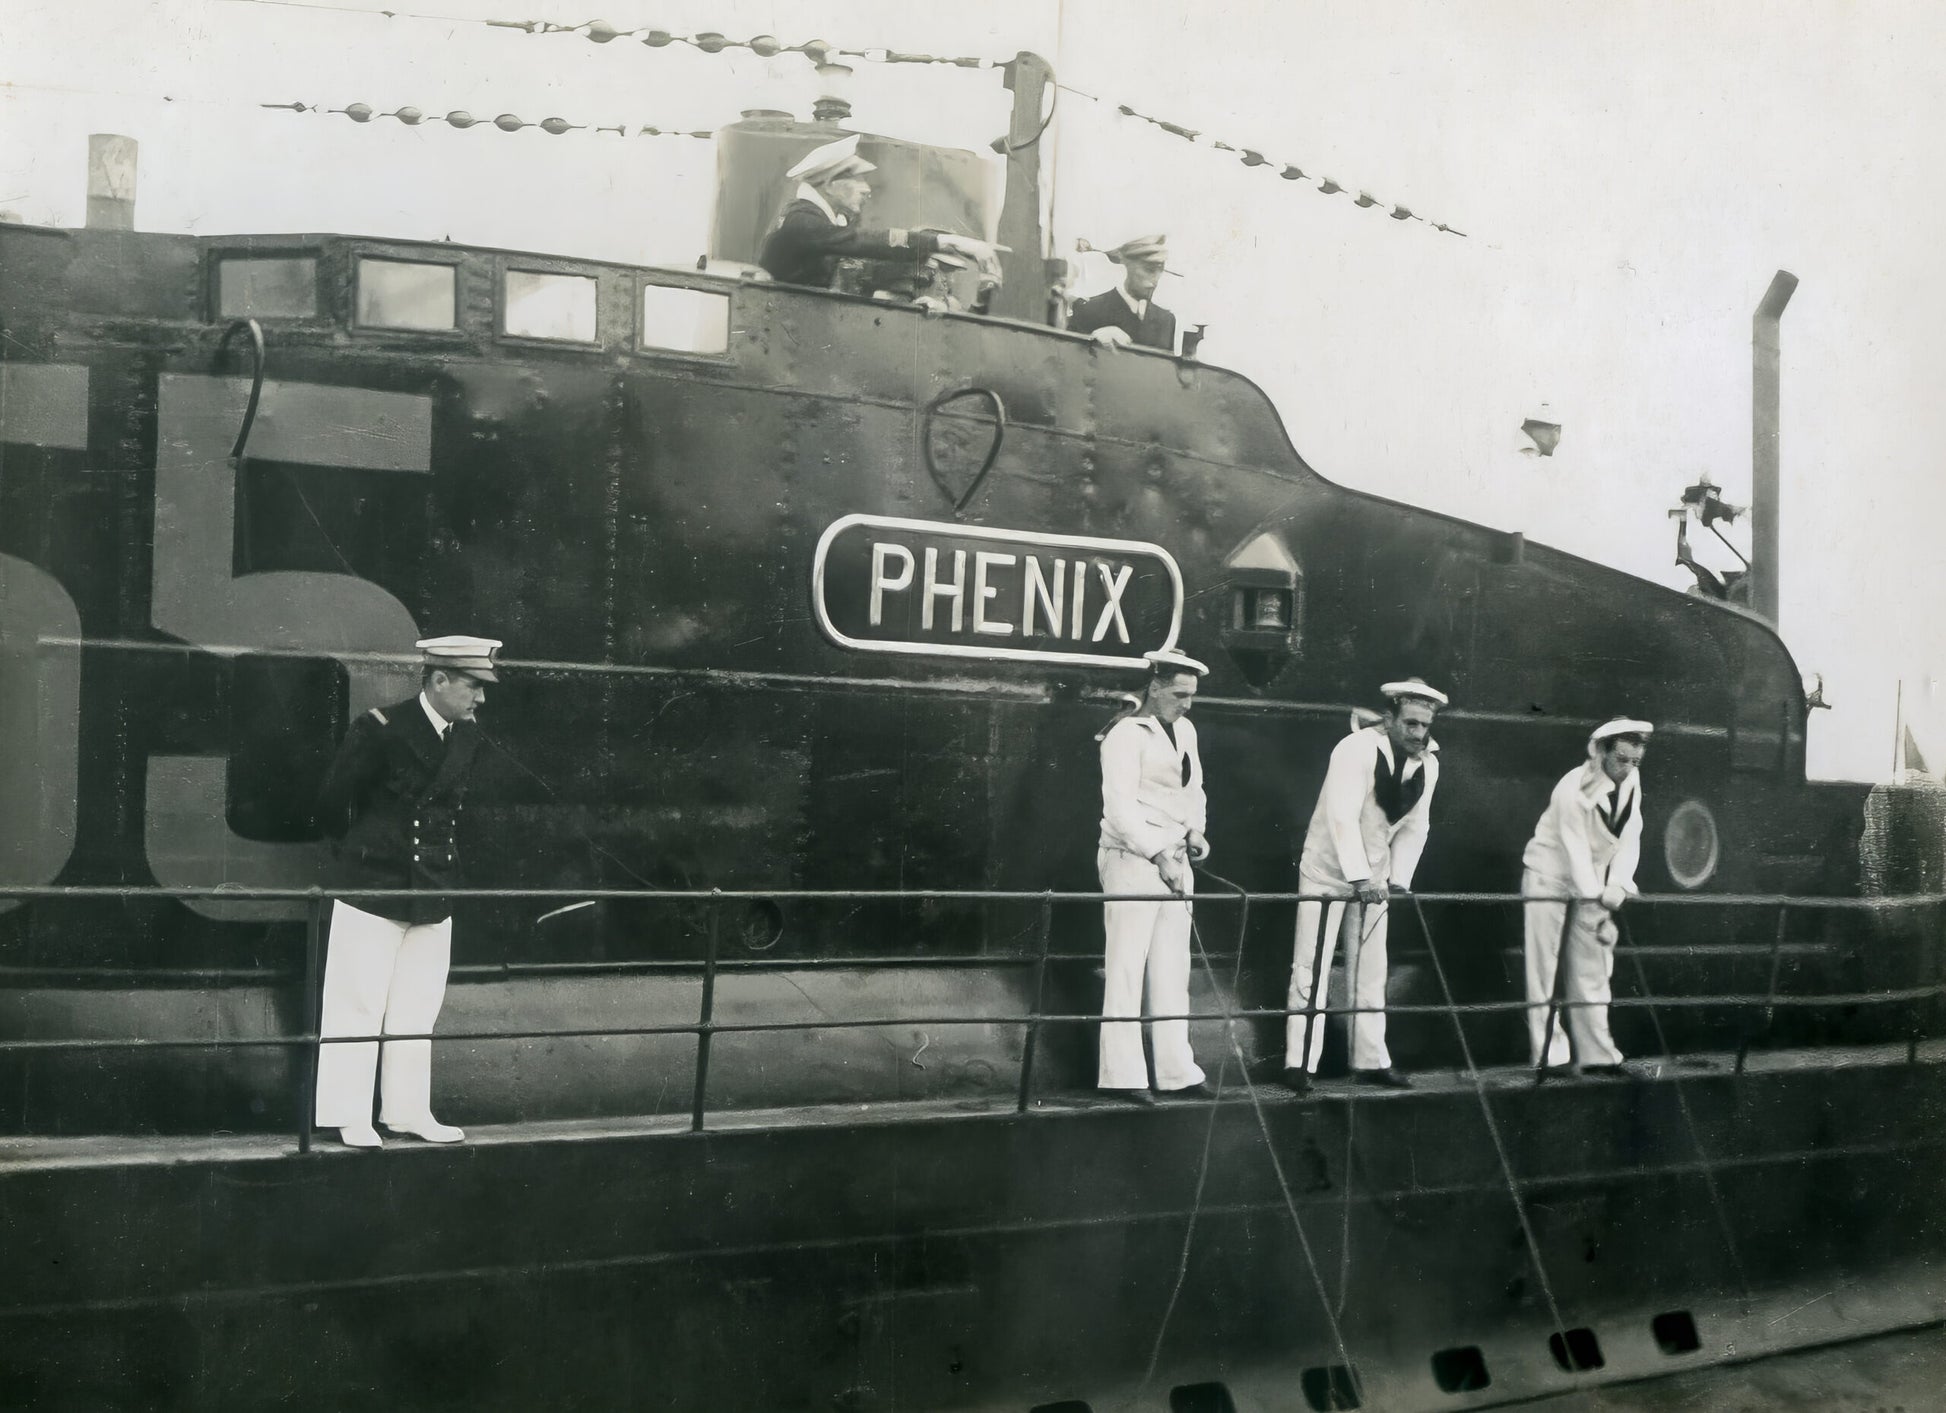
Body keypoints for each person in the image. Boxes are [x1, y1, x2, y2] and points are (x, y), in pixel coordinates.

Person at [312, 635, 500, 1148]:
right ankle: (349, 1115)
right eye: (473, 685)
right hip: (374, 886)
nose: (481, 698)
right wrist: (368, 855)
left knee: (418, 1008)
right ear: (438, 680)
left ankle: (408, 1111)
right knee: (357, 1004)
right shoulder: (380, 729)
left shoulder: (467, 737)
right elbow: (332, 805)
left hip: (434, 888)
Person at [1283, 679, 1448, 1092]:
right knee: (1312, 966)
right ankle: (1299, 1064)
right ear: (1388, 718)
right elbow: (1342, 816)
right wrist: (1358, 876)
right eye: (1410, 723)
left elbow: (1417, 826)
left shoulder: (1428, 764)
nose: (1418, 733)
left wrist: (1398, 880)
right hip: (1327, 872)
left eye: (1425, 725)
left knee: (1372, 969)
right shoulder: (1354, 749)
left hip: (1375, 878)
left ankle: (1371, 1060)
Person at [1096, 649, 1214, 1105]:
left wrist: (1195, 830)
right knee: (1126, 966)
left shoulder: (1186, 730)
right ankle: (1123, 1074)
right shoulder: (1125, 734)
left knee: (1172, 966)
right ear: (1155, 687)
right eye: (1180, 694)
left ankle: (1176, 1071)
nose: (1187, 704)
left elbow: (1193, 789)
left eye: (1192, 695)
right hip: (1131, 858)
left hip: (1175, 857)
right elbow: (1119, 807)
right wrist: (1157, 853)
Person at [1521, 717, 1652, 1074]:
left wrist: (1620, 883)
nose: (1627, 768)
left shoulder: (1632, 782)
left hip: (1592, 883)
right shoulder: (1572, 787)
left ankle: (1598, 1055)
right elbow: (1574, 847)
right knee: (1544, 969)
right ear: (1601, 752)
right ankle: (1550, 1058)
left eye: (1635, 761)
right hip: (1548, 876)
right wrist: (1598, 899)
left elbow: (1630, 835)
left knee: (1592, 966)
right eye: (1621, 759)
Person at [757, 133, 999, 290]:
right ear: (830, 185)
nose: (866, 189)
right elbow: (863, 241)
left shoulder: (821, 219)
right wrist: (943, 242)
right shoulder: (802, 223)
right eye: (858, 179)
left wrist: (918, 264)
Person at [1067, 235, 1178, 352]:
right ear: (1128, 264)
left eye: (1160, 269)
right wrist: (1090, 342)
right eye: (1148, 269)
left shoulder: (1166, 321)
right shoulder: (1089, 311)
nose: (1153, 281)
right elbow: (1064, 358)